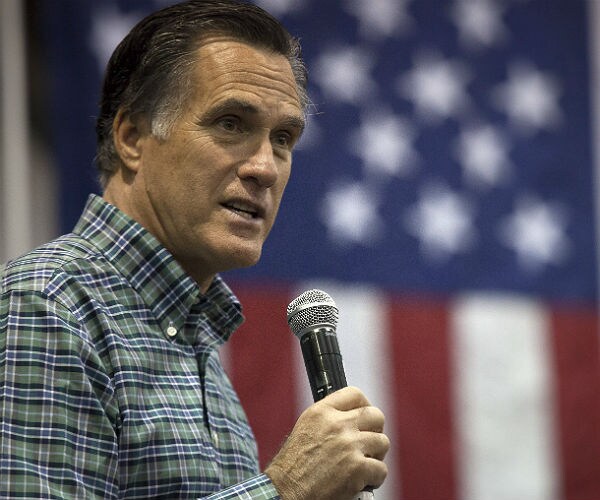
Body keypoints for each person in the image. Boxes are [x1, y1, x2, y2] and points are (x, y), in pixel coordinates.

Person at [0, 1, 389, 498]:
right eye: (230, 123)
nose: (265, 168)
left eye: (283, 138)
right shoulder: (46, 305)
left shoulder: (192, 337)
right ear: (132, 138)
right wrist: (286, 489)